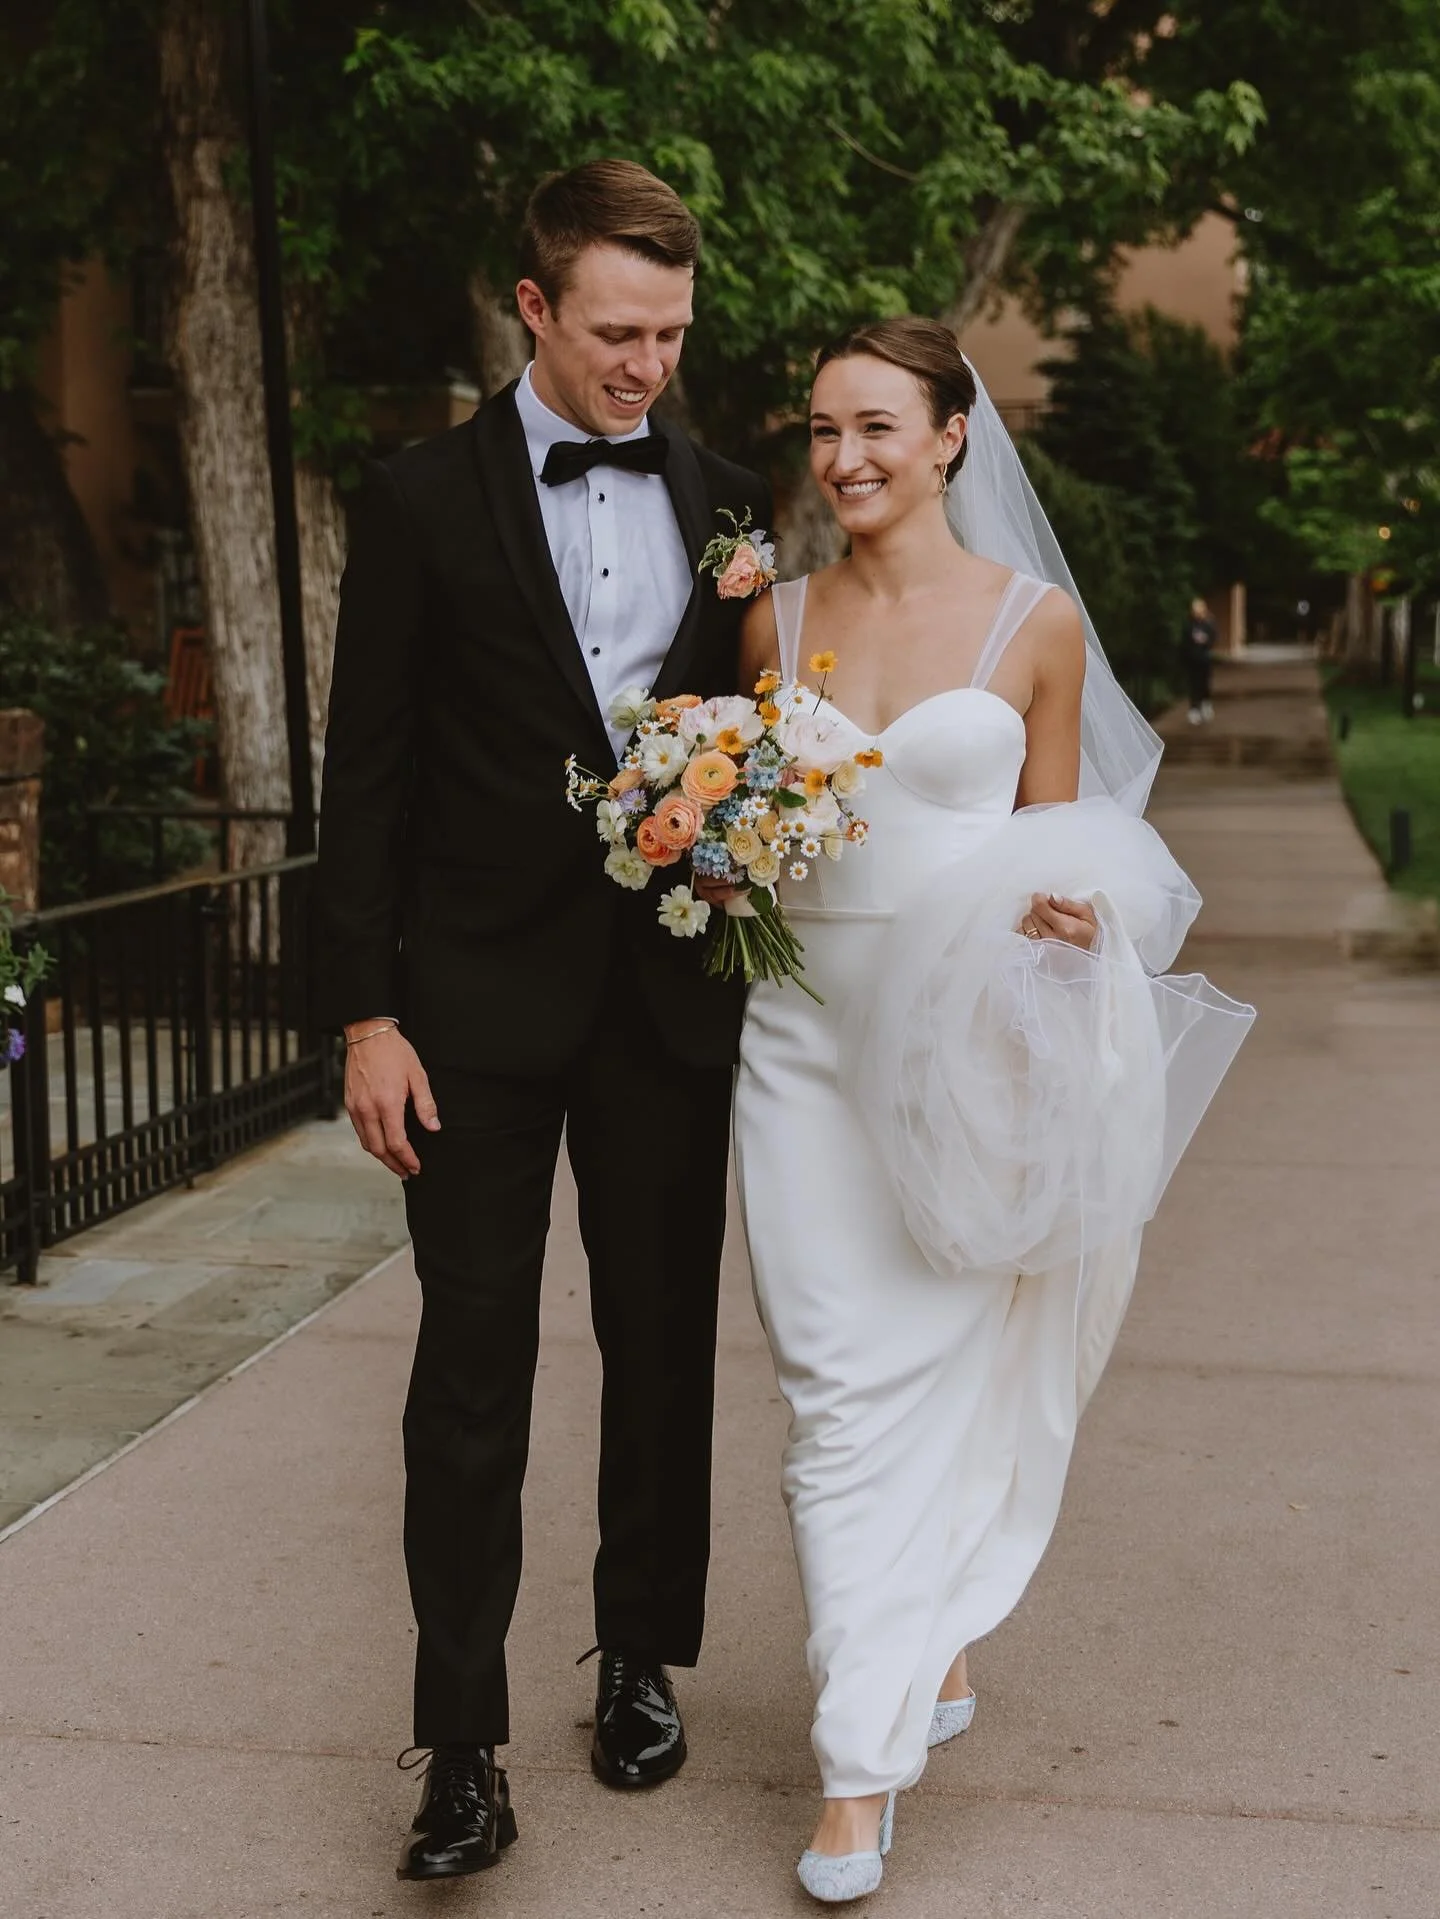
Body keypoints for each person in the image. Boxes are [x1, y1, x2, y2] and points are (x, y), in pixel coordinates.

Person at [732, 319, 1252, 1903]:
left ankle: (863, 1753)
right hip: (799, 1042)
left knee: (951, 1360)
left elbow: (1061, 840)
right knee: (832, 1387)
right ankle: (869, 1736)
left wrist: (1082, 918)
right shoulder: (772, 619)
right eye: (824, 430)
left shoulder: (1037, 626)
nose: (845, 458)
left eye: (877, 426)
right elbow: (752, 825)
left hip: (959, 1048)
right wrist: (708, 845)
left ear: (952, 434)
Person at [314, 159, 771, 1882]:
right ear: (533, 307)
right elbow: (367, 772)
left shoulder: (730, 502)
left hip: (665, 1003)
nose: (646, 365)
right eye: (615, 331)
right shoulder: (418, 496)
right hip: (470, 1011)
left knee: (660, 1344)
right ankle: (460, 1744)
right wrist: (366, 1009)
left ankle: (640, 1652)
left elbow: (754, 742)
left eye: (671, 333)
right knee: (469, 1371)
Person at [1182, 595, 1217, 723]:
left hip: (1205, 659)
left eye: (1199, 609)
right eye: (1195, 610)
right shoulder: (1189, 625)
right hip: (1192, 660)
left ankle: (1206, 705)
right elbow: (1184, 641)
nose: (1197, 612)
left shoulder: (1209, 624)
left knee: (1205, 683)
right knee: (1194, 685)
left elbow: (1213, 638)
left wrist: (1205, 641)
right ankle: (1194, 709)